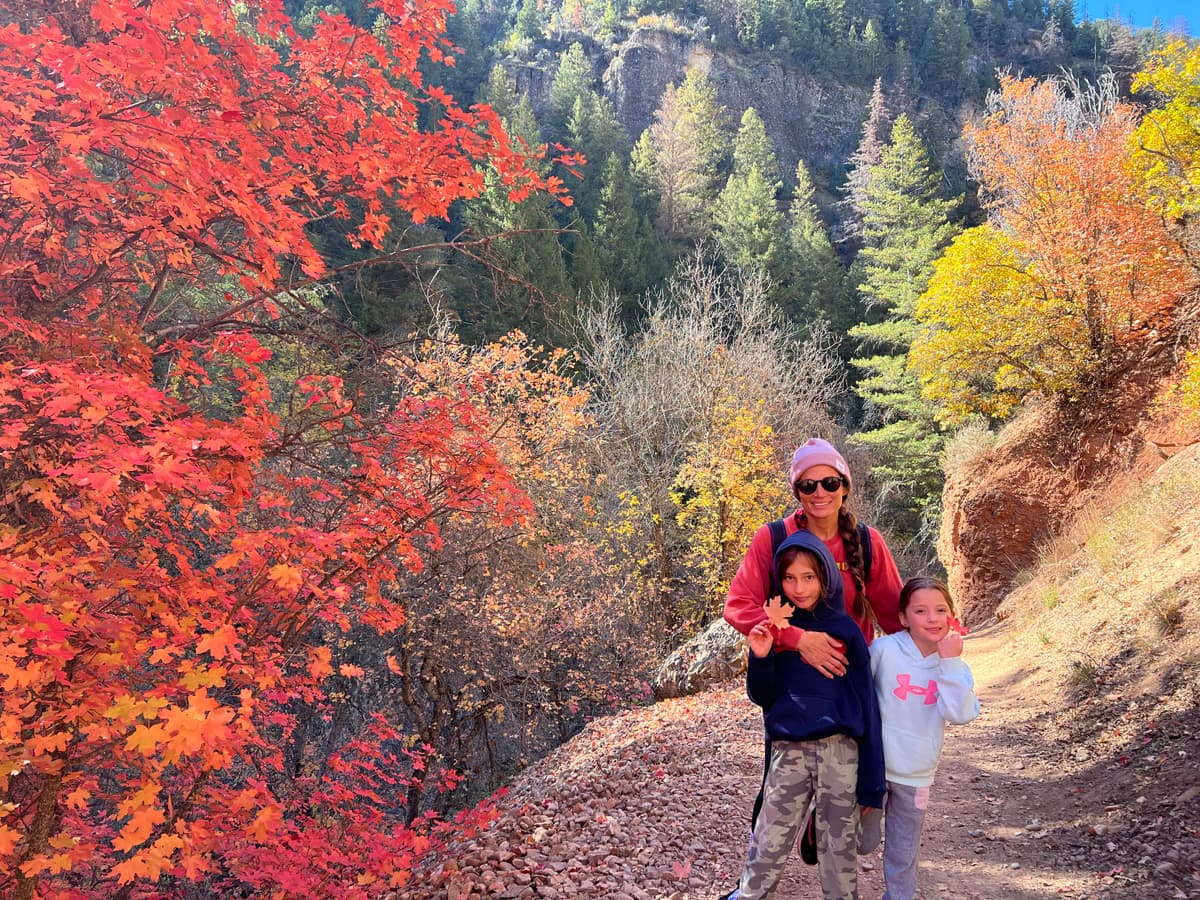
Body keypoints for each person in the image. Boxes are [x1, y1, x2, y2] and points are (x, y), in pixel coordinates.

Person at [734, 530, 886, 900]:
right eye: (789, 578)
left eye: (808, 577)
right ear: (778, 580)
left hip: (841, 753)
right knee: (767, 843)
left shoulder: (846, 630)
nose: (798, 588)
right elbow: (762, 695)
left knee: (839, 855)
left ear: (826, 578)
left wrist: (872, 783)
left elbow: (868, 706)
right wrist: (761, 655)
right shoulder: (777, 629)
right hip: (789, 751)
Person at [724, 438, 904, 676]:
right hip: (793, 687)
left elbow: (896, 617)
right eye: (808, 485)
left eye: (830, 483)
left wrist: (934, 650)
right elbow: (738, 606)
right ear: (798, 492)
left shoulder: (867, 542)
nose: (820, 493)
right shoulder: (773, 538)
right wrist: (797, 639)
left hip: (854, 681)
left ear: (845, 487)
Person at [869, 577, 981, 900]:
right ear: (903, 617)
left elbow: (959, 713)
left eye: (940, 610)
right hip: (875, 768)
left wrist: (950, 661)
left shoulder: (953, 664)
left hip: (916, 775)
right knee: (862, 841)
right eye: (920, 611)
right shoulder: (884, 650)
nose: (932, 618)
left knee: (903, 852)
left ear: (951, 616)